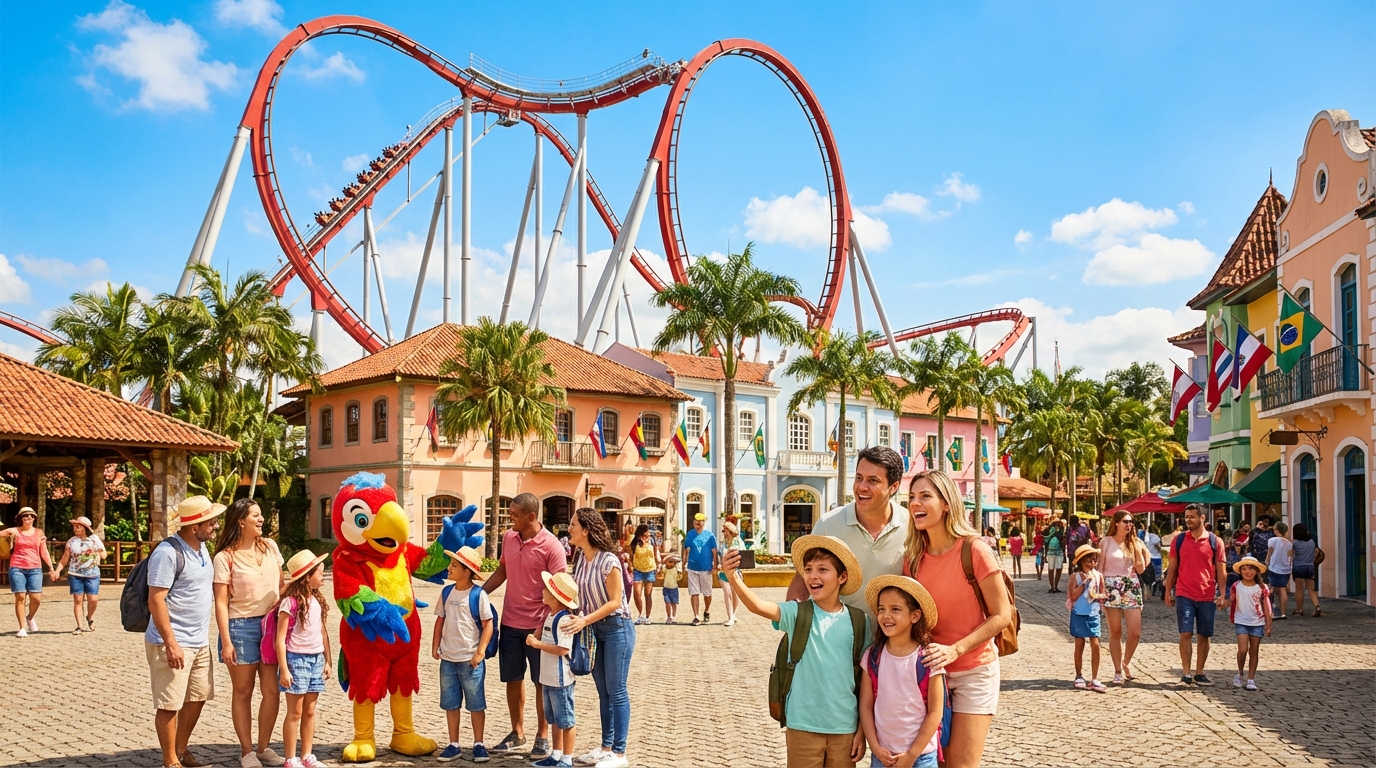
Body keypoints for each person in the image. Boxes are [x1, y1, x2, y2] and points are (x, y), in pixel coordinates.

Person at [725, 535, 869, 768]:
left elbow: (866, 681)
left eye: (823, 569)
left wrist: (862, 730)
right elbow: (758, 606)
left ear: (842, 577)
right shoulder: (796, 613)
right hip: (802, 725)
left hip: (845, 727)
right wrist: (733, 577)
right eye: (808, 569)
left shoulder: (859, 621)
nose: (813, 575)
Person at [903, 471, 1012, 768]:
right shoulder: (912, 559)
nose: (915, 503)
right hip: (929, 675)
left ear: (947, 504)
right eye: (912, 497)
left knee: (961, 764)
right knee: (934, 762)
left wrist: (956, 650)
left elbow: (1002, 615)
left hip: (974, 672)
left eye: (925, 496)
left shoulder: (974, 550)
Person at [482, 492, 564, 759]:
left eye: (515, 515)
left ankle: (542, 735)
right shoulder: (509, 538)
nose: (510, 519)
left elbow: (560, 588)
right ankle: (517, 732)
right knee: (512, 679)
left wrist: (544, 626)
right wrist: (478, 595)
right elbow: (502, 571)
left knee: (541, 683)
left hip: (539, 627)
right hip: (510, 623)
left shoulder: (552, 546)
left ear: (531, 516)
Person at [146, 496, 224, 768]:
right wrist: (171, 643)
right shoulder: (167, 553)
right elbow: (156, 599)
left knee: (198, 696)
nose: (215, 526)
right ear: (194, 526)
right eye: (211, 522)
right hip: (173, 640)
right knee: (169, 703)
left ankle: (180, 750)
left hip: (199, 641)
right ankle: (170, 761)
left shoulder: (201, 548)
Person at [789, 446, 911, 620]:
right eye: (859, 478)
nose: (862, 487)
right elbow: (802, 578)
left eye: (873, 480)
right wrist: (792, 619)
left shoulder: (912, 527)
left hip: (888, 635)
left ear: (893, 486)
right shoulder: (828, 524)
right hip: (835, 633)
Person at [212, 499, 287, 768]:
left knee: (272, 691)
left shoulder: (270, 547)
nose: (261, 519)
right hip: (240, 627)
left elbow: (281, 585)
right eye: (255, 515)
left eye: (260, 514)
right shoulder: (224, 557)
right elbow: (221, 602)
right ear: (241, 521)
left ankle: (264, 747)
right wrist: (226, 641)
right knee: (243, 691)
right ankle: (247, 751)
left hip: (270, 626)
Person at [563, 508, 634, 768]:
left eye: (573, 524)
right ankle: (606, 748)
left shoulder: (609, 560)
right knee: (603, 692)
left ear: (586, 530)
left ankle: (620, 753)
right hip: (595, 630)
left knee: (617, 691)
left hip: (617, 628)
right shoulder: (581, 559)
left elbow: (615, 602)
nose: (569, 529)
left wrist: (584, 620)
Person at [858, 575, 944, 768]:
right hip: (883, 756)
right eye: (881, 609)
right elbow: (865, 706)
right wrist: (875, 747)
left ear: (915, 616)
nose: (886, 615)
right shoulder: (872, 657)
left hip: (921, 757)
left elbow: (935, 712)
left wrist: (911, 755)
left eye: (895, 609)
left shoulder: (928, 659)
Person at [433, 546, 494, 763]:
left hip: (470, 661)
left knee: (476, 703)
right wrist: (435, 645)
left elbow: (488, 625)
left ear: (467, 571)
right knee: (450, 703)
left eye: (454, 565)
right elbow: (440, 619)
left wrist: (480, 652)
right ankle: (454, 744)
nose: (449, 568)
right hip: (448, 660)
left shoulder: (478, 595)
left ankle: (479, 743)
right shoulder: (446, 593)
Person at [274, 550, 332, 768]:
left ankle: (307, 755)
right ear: (307, 577)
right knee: (295, 712)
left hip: (316, 660)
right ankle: (290, 758)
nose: (323, 575)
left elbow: (323, 633)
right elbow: (280, 639)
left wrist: (327, 660)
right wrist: (284, 668)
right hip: (296, 661)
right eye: (320, 572)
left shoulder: (317, 600)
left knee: (310, 710)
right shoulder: (289, 603)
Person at [1163, 504, 1227, 686]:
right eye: (1187, 517)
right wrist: (1168, 590)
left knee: (1204, 635)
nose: (1188, 520)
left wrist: (1223, 593)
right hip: (1184, 593)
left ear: (1202, 518)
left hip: (1207, 593)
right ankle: (1186, 672)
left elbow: (1221, 570)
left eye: (1192, 516)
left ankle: (1199, 672)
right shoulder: (1179, 540)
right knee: (1185, 632)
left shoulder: (1215, 541)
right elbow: (1172, 567)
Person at [526, 571, 580, 768]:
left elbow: (563, 649)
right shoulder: (550, 616)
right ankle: (556, 754)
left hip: (560, 679)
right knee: (555, 719)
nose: (542, 591)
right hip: (548, 678)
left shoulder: (564, 620)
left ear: (556, 596)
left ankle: (567, 757)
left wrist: (537, 644)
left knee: (566, 719)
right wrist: (538, 636)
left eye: (547, 589)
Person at [1100, 510, 1147, 684]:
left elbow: (1141, 569)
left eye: (1131, 521)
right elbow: (1100, 568)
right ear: (1117, 523)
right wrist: (1098, 590)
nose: (1129, 525)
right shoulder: (1106, 541)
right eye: (1126, 521)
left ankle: (1126, 662)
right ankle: (1117, 670)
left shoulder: (1134, 542)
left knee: (1135, 632)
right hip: (1110, 586)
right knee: (1116, 631)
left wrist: (1138, 549)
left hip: (1130, 585)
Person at [2, 506, 55, 637]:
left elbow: (44, 551)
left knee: (36, 598)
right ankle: (22, 627)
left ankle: (30, 617)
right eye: (25, 515)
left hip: (35, 568)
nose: (28, 518)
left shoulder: (39, 533)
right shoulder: (15, 531)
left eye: (31, 516)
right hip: (17, 567)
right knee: (20, 596)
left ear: (34, 518)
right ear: (21, 518)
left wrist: (51, 567)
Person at [1227, 555, 1272, 691]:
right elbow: (1231, 601)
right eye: (1244, 569)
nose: (1248, 572)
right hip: (1241, 621)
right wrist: (1223, 603)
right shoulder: (1236, 586)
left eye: (1251, 569)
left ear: (1257, 571)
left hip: (1257, 622)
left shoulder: (1261, 587)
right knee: (1242, 649)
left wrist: (1268, 624)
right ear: (1240, 571)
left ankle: (1251, 679)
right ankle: (1240, 673)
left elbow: (1266, 606)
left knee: (1254, 651)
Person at [54, 515, 105, 634]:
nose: (75, 528)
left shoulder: (94, 539)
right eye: (74, 526)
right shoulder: (71, 542)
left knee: (93, 599)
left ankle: (90, 617)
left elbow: (104, 554)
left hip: (92, 574)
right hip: (75, 574)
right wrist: (57, 571)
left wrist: (98, 551)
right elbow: (64, 559)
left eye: (78, 526)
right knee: (78, 600)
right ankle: (79, 626)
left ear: (85, 528)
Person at [1068, 545, 1107, 693]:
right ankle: (1079, 675)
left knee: (1095, 644)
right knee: (1079, 644)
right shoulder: (1076, 577)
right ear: (1081, 561)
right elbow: (1072, 596)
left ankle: (1095, 678)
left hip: (1093, 614)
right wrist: (1084, 584)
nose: (1092, 562)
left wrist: (1099, 596)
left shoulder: (1099, 576)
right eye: (1089, 559)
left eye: (1094, 559)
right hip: (1079, 613)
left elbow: (1103, 593)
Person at [682, 512, 719, 625]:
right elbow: (685, 550)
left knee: (707, 593)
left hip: (706, 568)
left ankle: (706, 611)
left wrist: (715, 565)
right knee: (694, 593)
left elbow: (714, 551)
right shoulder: (690, 534)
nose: (697, 524)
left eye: (700, 522)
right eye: (696, 522)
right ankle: (696, 616)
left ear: (704, 523)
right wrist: (683, 564)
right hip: (692, 567)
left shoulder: (709, 535)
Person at [628, 524, 658, 625]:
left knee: (648, 595)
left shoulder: (651, 541)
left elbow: (655, 553)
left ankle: (647, 616)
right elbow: (631, 555)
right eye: (646, 532)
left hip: (650, 569)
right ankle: (640, 614)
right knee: (637, 594)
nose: (648, 533)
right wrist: (630, 566)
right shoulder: (634, 542)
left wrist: (658, 565)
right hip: (638, 570)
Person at [1289, 523, 1321, 617]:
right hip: (1309, 567)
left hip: (1298, 567)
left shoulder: (1295, 543)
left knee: (1299, 589)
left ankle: (1299, 609)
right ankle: (1317, 606)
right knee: (1311, 589)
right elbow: (1316, 553)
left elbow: (1290, 554)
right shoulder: (1311, 542)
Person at [717, 520, 745, 627]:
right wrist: (718, 564)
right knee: (727, 593)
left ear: (731, 531)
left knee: (735, 594)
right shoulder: (722, 544)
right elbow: (719, 556)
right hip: (723, 572)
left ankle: (733, 614)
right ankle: (730, 617)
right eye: (723, 531)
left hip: (735, 571)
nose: (724, 533)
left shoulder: (739, 542)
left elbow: (743, 555)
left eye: (726, 531)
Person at [1266, 523, 1292, 620]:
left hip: (1274, 567)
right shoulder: (1289, 544)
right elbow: (1290, 556)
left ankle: (1272, 610)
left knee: (1273, 588)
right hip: (1285, 569)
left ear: (1276, 530)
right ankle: (1283, 613)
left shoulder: (1272, 540)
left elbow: (1270, 551)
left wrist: (1266, 561)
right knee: (1282, 588)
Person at [658, 548, 681, 625]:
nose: (671, 563)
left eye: (673, 561)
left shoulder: (676, 569)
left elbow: (679, 577)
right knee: (667, 603)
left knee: (674, 603)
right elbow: (660, 575)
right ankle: (669, 616)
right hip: (666, 588)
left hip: (674, 588)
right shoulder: (664, 568)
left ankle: (673, 616)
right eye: (670, 561)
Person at [1141, 524, 1163, 598]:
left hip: (1148, 557)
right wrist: (1161, 553)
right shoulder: (1154, 537)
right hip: (1156, 557)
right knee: (1157, 576)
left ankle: (1148, 593)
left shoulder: (1145, 537)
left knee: (1147, 576)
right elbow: (1157, 547)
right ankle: (1156, 591)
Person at [1044, 521, 1066, 593]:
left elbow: (1046, 543)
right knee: (1058, 569)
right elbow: (1063, 544)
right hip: (1058, 552)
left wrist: (1045, 555)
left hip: (1051, 552)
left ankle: (1052, 587)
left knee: (1051, 569)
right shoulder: (1060, 532)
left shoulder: (1050, 531)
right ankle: (1055, 586)